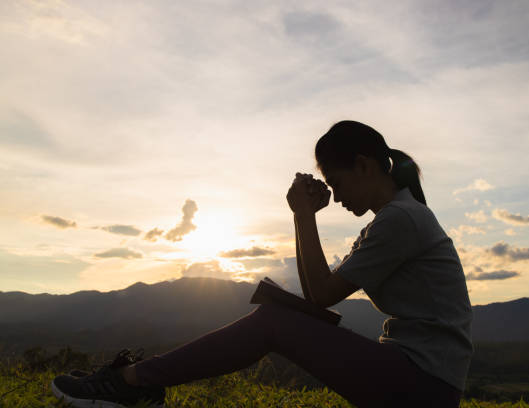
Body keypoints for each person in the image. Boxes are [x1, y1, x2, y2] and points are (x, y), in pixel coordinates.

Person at [51, 120, 473, 408]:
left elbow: (322, 293)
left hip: (424, 384)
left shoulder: (401, 218)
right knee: (278, 318)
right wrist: (300, 215)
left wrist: (305, 215)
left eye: (337, 183)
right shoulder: (394, 218)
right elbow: (317, 295)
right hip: (419, 377)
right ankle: (136, 383)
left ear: (364, 166)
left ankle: (131, 384)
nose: (338, 196)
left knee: (273, 322)